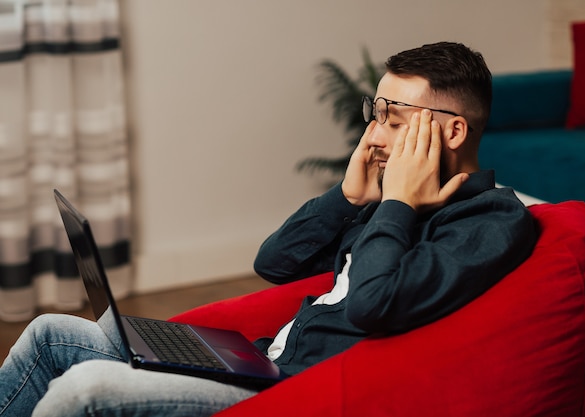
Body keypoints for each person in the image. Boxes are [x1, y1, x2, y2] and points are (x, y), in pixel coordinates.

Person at [0, 41, 537, 416]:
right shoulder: (391, 202)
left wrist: (397, 202)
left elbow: (375, 303)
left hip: (295, 394)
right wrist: (350, 198)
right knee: (53, 333)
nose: (372, 136)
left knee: (86, 389)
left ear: (453, 132)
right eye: (374, 114)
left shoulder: (488, 220)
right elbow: (274, 264)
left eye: (392, 120)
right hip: (261, 361)